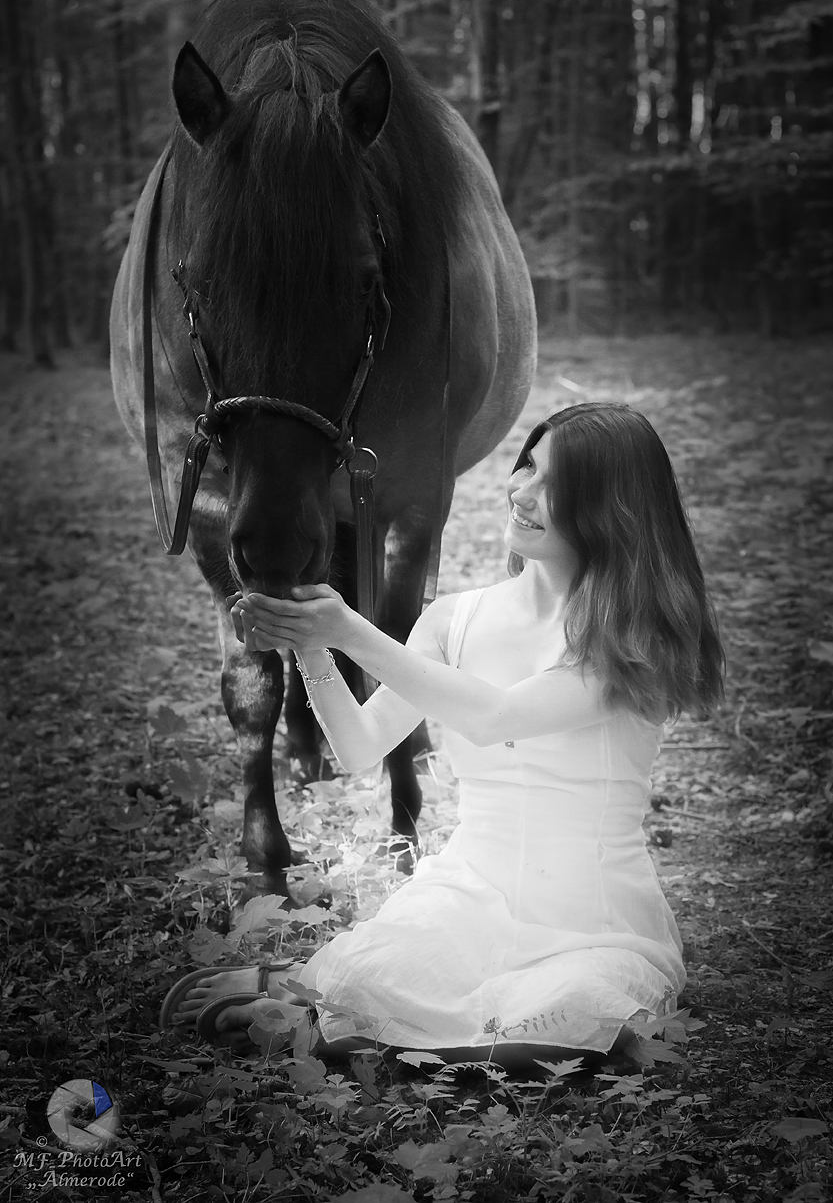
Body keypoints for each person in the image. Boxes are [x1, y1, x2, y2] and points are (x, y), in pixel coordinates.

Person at [162, 402, 724, 1069]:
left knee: (569, 1016)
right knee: (365, 976)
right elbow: (359, 746)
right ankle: (324, 1005)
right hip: (471, 892)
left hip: (595, 922)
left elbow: (494, 716)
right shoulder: (454, 620)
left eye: (556, 486)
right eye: (527, 467)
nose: (523, 493)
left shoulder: (633, 633)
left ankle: (331, 1025)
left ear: (612, 509)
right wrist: (310, 644)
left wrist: (350, 630)